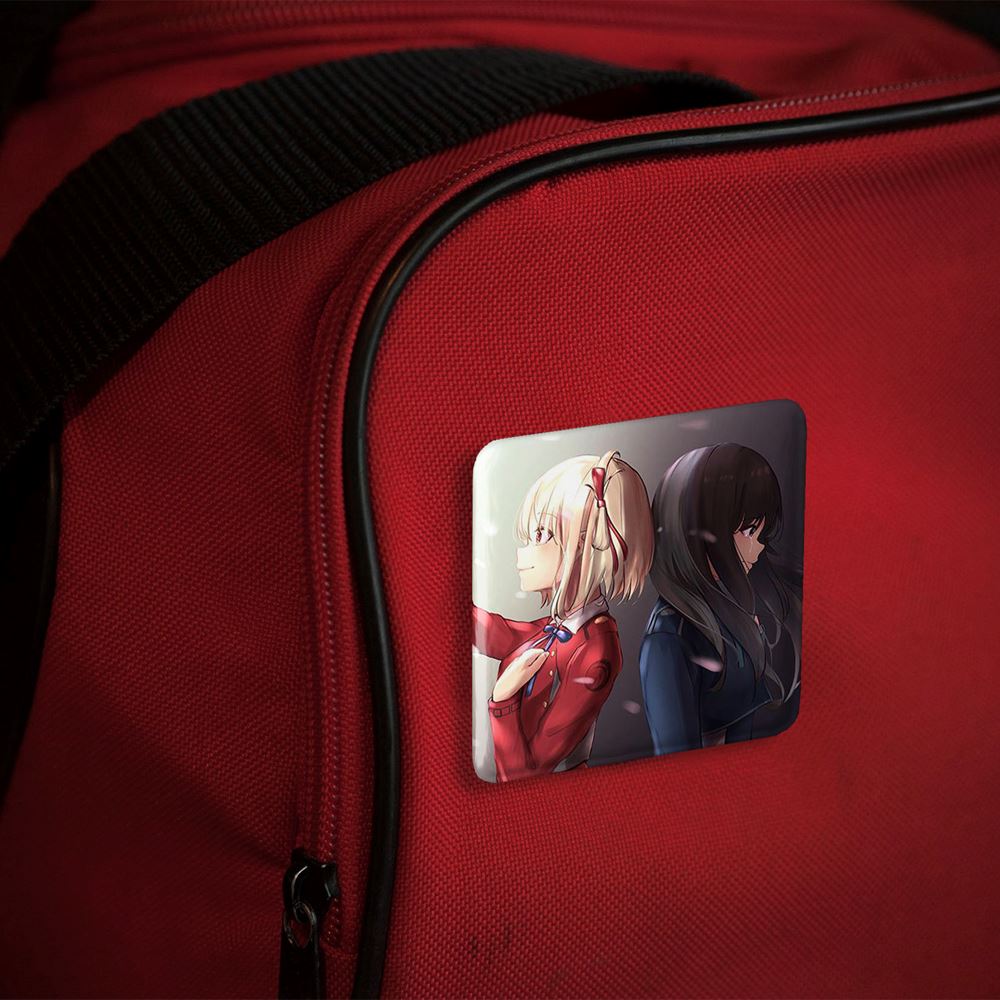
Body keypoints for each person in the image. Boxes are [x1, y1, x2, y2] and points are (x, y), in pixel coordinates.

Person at [474, 450, 653, 781]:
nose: (522, 553)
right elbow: (496, 632)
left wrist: (503, 699)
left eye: (541, 535)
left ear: (585, 545)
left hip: (556, 797)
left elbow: (526, 773)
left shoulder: (596, 653)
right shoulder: (557, 627)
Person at [640, 443, 800, 754]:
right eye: (748, 531)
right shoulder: (668, 639)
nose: (759, 548)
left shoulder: (731, 608)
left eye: (760, 533)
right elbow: (676, 756)